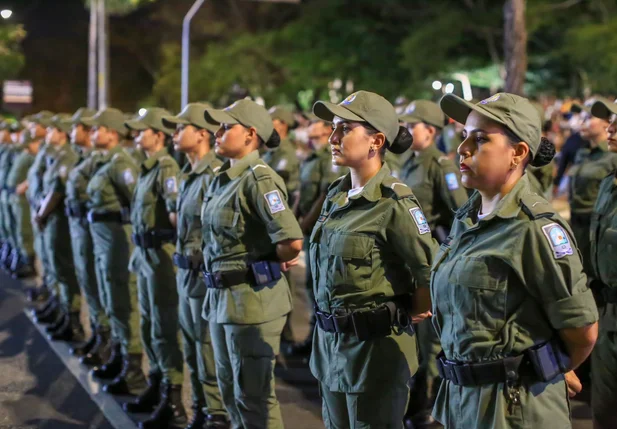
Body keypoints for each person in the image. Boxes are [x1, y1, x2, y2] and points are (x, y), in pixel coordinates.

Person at [432, 92, 599, 428]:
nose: (464, 148)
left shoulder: (535, 228)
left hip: (514, 407)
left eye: (480, 139)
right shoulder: (467, 218)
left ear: (518, 153)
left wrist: (550, 367)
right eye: (465, 136)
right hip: (462, 400)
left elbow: (582, 330)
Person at [310, 90, 436, 428]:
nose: (333, 137)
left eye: (344, 129)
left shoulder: (394, 202)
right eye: (333, 127)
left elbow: (429, 272)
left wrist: (409, 311)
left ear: (376, 141)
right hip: (331, 350)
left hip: (375, 354)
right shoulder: (336, 195)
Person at [201, 99, 303, 429]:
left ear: (250, 135)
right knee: (231, 393)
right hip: (222, 301)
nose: (217, 133)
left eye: (226, 127)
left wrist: (264, 264)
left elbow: (290, 242)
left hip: (251, 302)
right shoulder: (222, 178)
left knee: (254, 398)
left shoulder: (259, 179)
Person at [397, 99, 469, 427]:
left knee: (429, 346)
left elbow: (462, 216)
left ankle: (428, 408)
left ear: (430, 130)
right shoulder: (408, 162)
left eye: (413, 126)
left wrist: (446, 257)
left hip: (429, 261)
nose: (407, 131)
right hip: (406, 262)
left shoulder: (441, 165)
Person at [161, 103, 229, 429]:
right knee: (191, 347)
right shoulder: (188, 173)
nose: (174, 134)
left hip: (204, 275)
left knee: (206, 347)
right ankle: (201, 410)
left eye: (180, 128)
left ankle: (217, 415)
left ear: (202, 133)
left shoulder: (213, 174)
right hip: (186, 273)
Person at [123, 108, 187, 428]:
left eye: (141, 131)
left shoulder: (167, 167)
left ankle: (173, 399)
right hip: (146, 255)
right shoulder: (147, 168)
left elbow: (176, 215)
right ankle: (156, 383)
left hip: (161, 257)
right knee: (149, 325)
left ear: (158, 135)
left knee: (163, 327)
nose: (136, 136)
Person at [82, 108, 145, 395]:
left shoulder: (122, 163)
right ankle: (119, 357)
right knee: (112, 298)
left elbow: (138, 202)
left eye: (98, 129)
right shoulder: (103, 160)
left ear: (112, 132)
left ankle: (132, 370)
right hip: (104, 240)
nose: (92, 133)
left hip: (119, 241)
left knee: (123, 301)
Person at [286, 117, 344, 358]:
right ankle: (314, 335)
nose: (312, 139)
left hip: (324, 231)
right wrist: (294, 221)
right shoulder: (310, 159)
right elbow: (303, 194)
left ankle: (320, 337)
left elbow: (326, 194)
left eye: (317, 134)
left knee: (323, 285)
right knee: (311, 284)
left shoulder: (326, 160)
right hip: (311, 231)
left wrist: (307, 222)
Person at [63, 107, 109, 360]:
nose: (72, 132)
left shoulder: (102, 160)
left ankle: (105, 340)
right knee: (90, 283)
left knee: (98, 284)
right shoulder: (85, 157)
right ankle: (98, 335)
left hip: (97, 231)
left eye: (76, 128)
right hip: (83, 225)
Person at [35, 113, 83, 342]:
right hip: (53, 220)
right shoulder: (57, 156)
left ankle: (71, 319)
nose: (48, 133)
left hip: (60, 220)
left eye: (53, 130)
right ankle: (61, 310)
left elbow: (57, 190)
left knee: (63, 268)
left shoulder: (68, 156)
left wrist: (42, 213)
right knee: (55, 265)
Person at [588, 98, 617, 429]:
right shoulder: (609, 183)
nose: (610, 129)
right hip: (607, 319)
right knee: (605, 414)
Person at [264, 105, 301, 348]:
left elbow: (284, 188)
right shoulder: (271, 151)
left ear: (282, 124)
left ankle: (285, 334)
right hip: (270, 224)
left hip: (279, 222)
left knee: (281, 281)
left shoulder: (285, 153)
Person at [568, 103, 617, 276]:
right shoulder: (583, 153)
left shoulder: (612, 158)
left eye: (588, 118)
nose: (611, 129)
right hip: (581, 231)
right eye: (612, 121)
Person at [6, 129, 40, 278]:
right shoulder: (24, 153)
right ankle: (21, 258)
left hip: (24, 198)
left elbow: (36, 173)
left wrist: (25, 185)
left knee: (24, 230)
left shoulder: (34, 157)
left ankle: (28, 262)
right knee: (16, 228)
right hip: (14, 195)